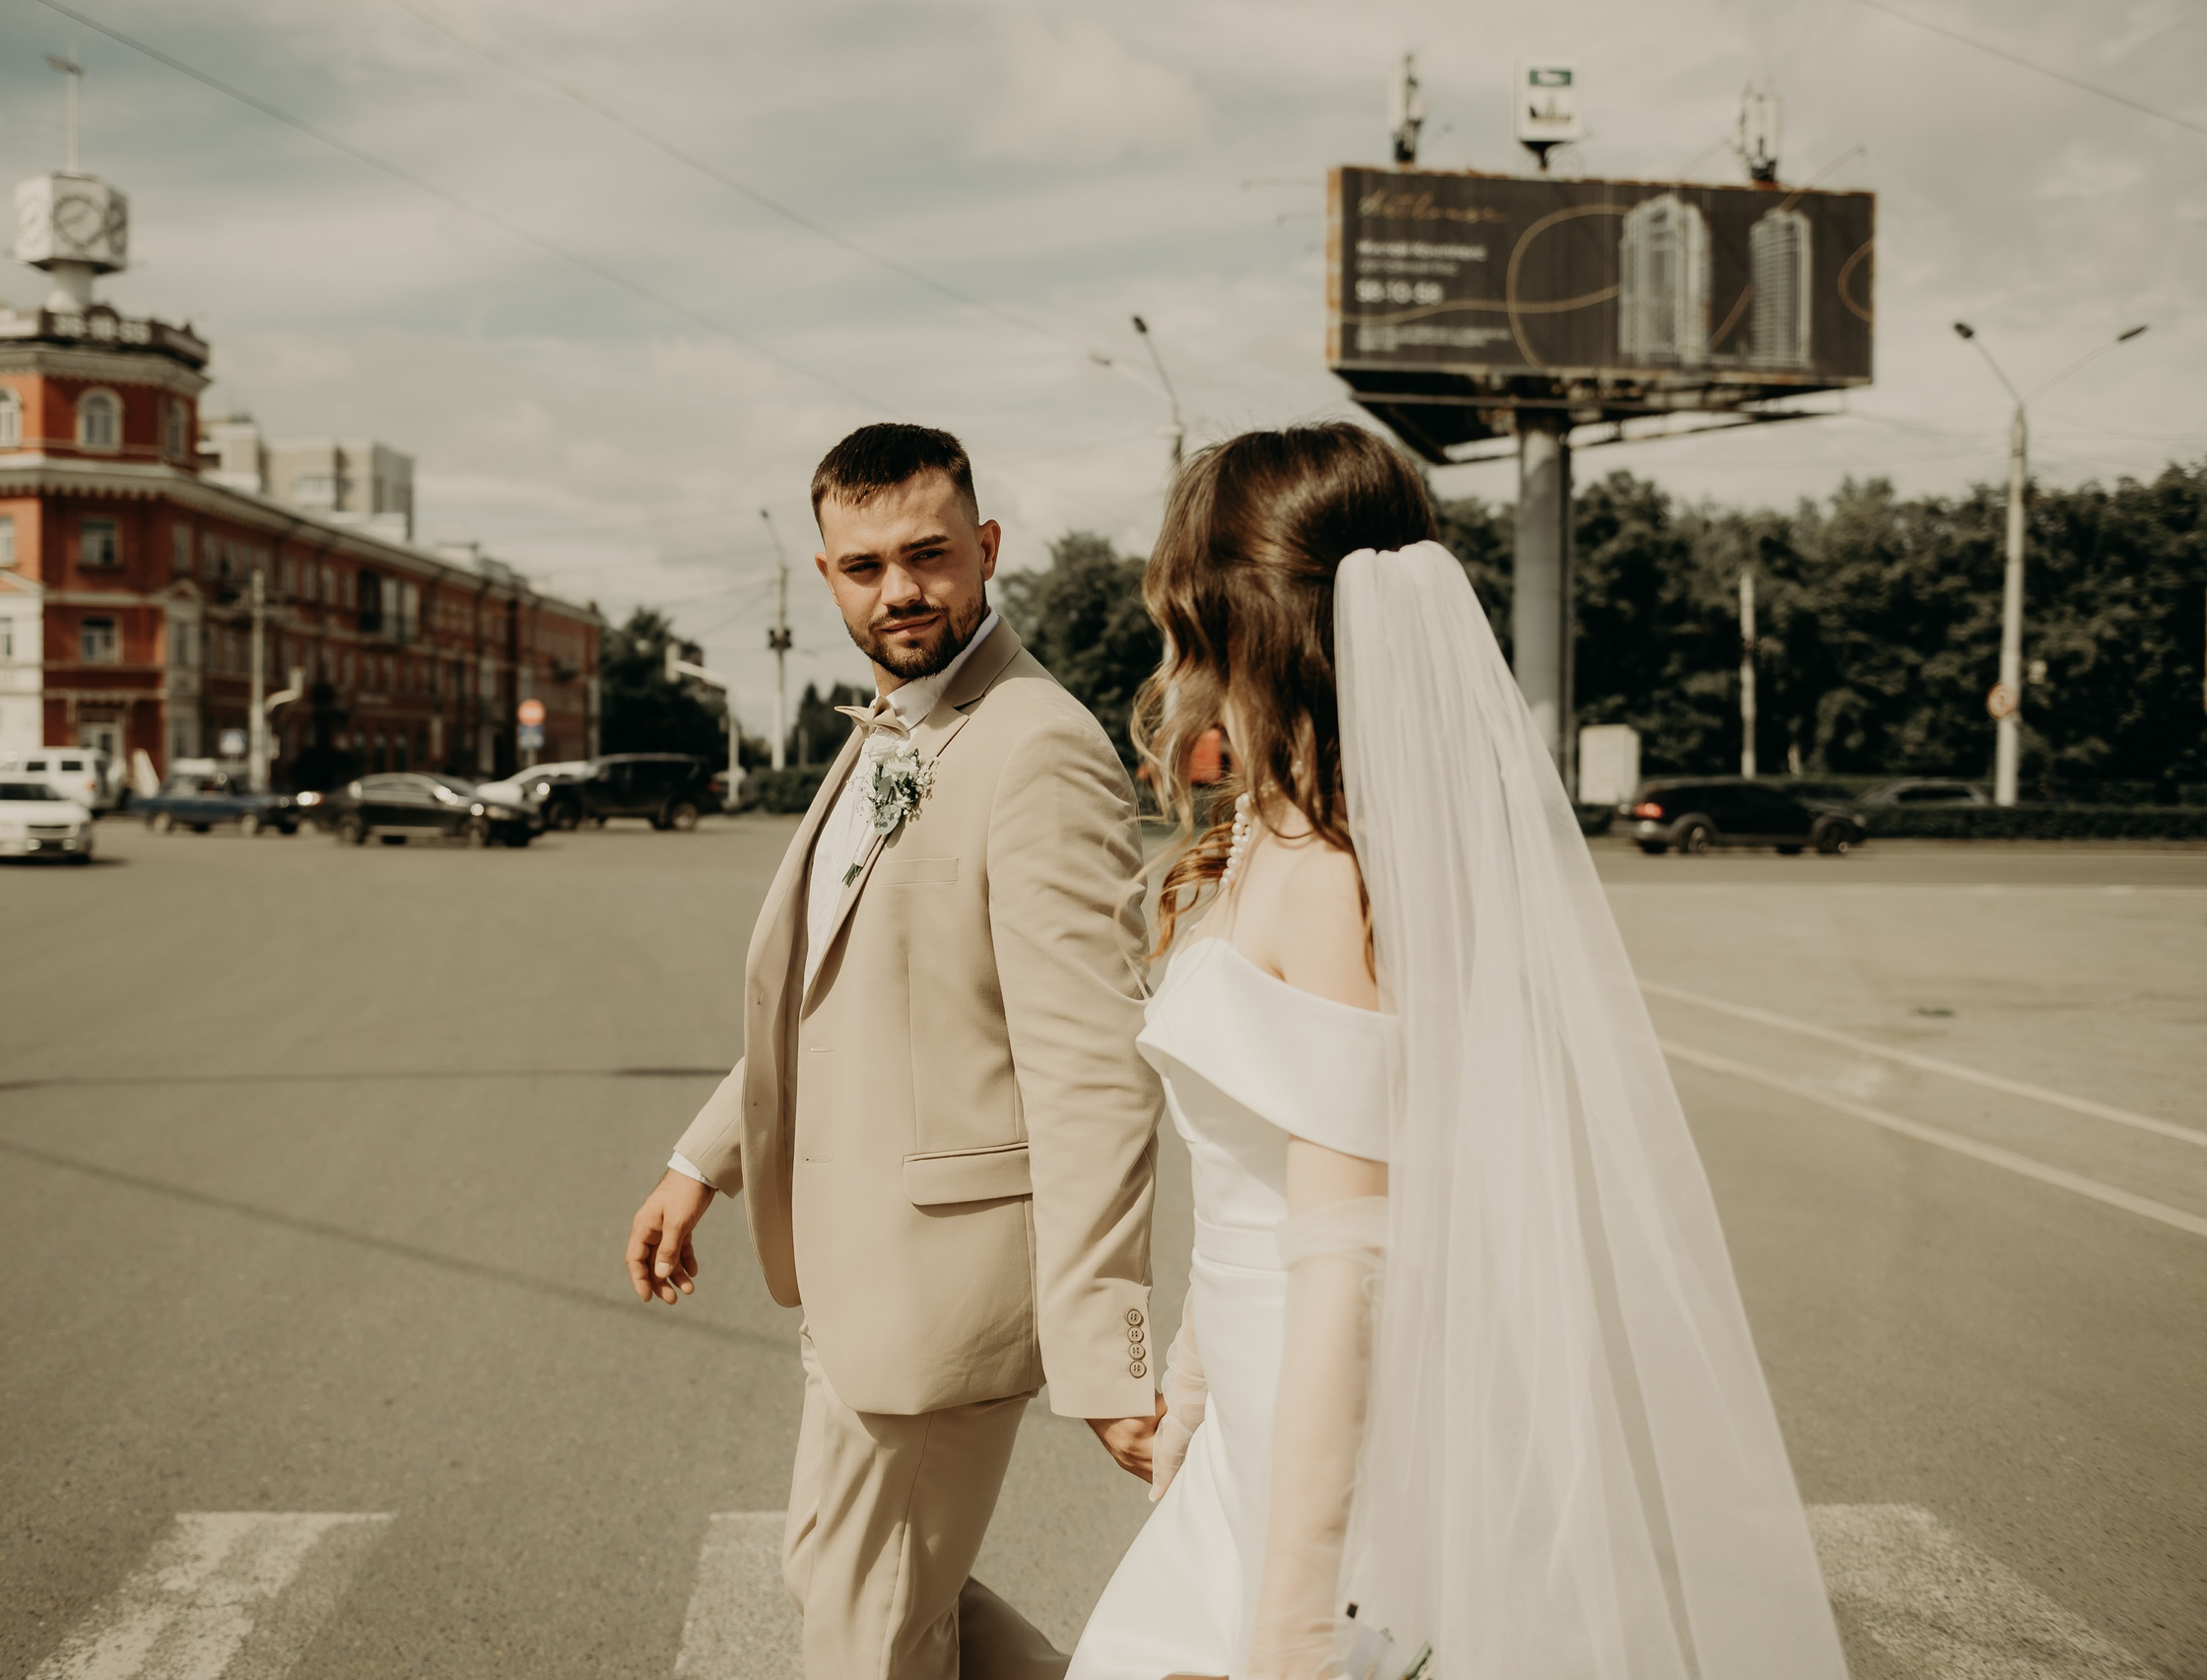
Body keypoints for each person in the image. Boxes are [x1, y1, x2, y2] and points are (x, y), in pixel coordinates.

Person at [1070, 425, 1848, 1680]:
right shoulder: (1263, 835)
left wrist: (1289, 1630)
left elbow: (1347, 1264)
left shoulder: (1332, 876)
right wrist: (1199, 1386)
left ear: (1242, 622)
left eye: (1182, 612)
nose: (1170, 650)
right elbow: (1249, 1176)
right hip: (1252, 1412)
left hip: (1329, 1446)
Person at [624, 423, 1166, 1680]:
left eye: (927, 555)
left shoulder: (1034, 746)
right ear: (825, 577)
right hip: (859, 1273)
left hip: (945, 1292)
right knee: (846, 1581)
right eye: (863, 567)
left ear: (984, 550)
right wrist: (699, 1162)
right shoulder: (896, 729)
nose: (899, 590)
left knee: (868, 1633)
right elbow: (831, 991)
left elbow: (1094, 1071)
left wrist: (1104, 1351)